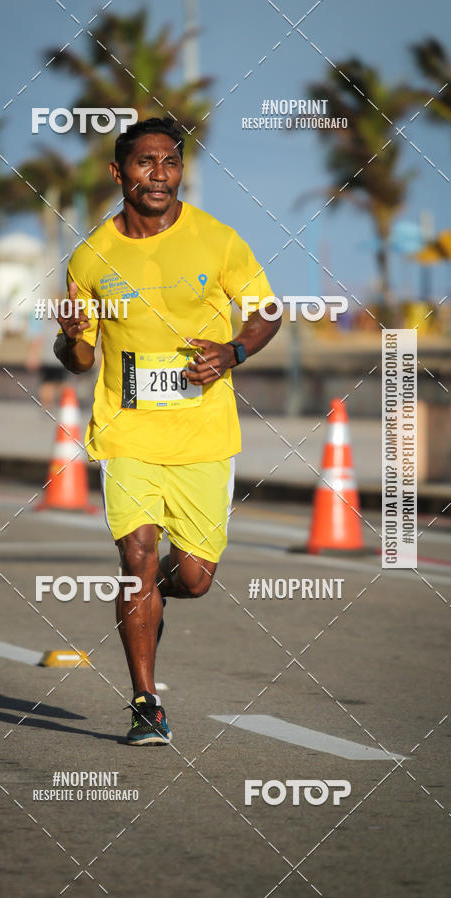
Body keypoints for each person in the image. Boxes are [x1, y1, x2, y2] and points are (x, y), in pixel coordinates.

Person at [55, 117, 279, 746]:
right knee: (135, 557)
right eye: (145, 162)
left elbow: (266, 310)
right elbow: (80, 360)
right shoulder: (91, 256)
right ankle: (146, 701)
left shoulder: (216, 239)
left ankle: (150, 597)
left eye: (171, 162)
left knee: (195, 579)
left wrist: (233, 352)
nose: (159, 173)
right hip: (127, 433)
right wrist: (71, 337)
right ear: (118, 171)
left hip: (204, 436)